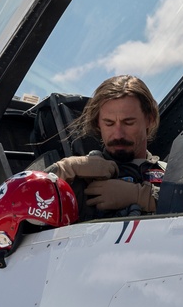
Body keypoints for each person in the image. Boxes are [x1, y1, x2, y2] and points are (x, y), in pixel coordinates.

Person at [48, 75, 165, 215]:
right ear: (98, 123)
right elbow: (19, 200)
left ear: (149, 119)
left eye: (128, 123)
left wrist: (144, 197)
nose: (118, 135)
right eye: (109, 123)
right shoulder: (81, 176)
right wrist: (65, 170)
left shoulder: (171, 174)